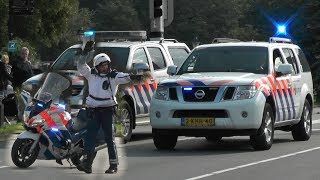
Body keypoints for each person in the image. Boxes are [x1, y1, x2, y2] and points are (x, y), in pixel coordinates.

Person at [76, 41, 136, 174]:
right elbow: (80, 65)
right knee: (89, 137)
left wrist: (134, 75)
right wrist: (85, 52)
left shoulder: (114, 76)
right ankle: (87, 164)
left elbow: (125, 77)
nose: (105, 67)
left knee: (109, 138)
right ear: (97, 66)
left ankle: (113, 165)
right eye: (102, 66)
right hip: (92, 111)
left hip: (107, 111)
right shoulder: (90, 74)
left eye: (106, 65)